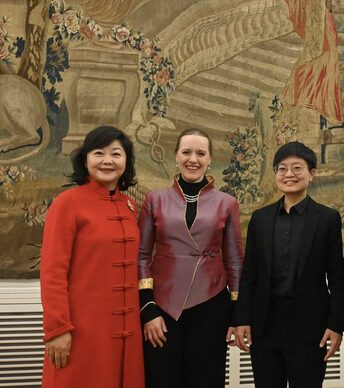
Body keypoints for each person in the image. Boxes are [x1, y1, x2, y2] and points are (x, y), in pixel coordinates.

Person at [232, 141, 344, 388]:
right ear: (275, 174)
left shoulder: (327, 219)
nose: (289, 175)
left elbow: (337, 277)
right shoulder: (260, 219)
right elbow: (249, 274)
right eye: (282, 169)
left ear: (312, 174)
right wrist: (242, 319)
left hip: (309, 328)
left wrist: (336, 325)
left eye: (297, 168)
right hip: (265, 326)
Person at [138, 128, 243, 388]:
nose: (192, 159)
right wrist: (148, 308)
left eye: (200, 153)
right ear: (176, 157)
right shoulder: (155, 199)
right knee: (162, 379)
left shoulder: (227, 203)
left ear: (209, 160)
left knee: (206, 380)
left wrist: (236, 314)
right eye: (186, 152)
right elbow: (141, 256)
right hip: (162, 307)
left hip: (212, 306)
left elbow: (235, 261)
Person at [40, 126, 144, 388]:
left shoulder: (129, 206)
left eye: (116, 154)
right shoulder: (67, 202)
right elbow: (52, 271)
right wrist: (58, 329)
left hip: (125, 332)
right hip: (82, 330)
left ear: (126, 162)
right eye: (99, 153)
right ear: (85, 159)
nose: (107, 161)